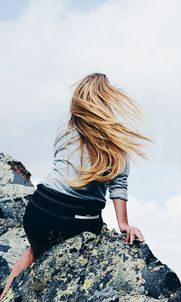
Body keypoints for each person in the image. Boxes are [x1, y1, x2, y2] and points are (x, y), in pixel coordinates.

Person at [0, 72, 153, 300]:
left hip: (38, 210)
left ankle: (5, 296)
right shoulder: (116, 139)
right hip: (77, 222)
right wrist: (124, 224)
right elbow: (118, 185)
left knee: (32, 252)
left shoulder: (65, 129)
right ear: (108, 99)